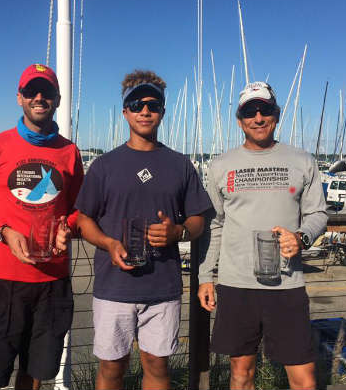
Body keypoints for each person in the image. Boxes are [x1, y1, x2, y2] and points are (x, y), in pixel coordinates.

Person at [75, 70, 212, 390]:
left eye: (153, 105)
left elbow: (198, 220)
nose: (145, 111)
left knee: (157, 368)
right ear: (125, 112)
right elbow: (84, 220)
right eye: (137, 105)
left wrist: (177, 232)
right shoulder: (104, 166)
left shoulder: (180, 165)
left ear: (163, 112)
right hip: (114, 288)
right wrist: (108, 243)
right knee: (111, 369)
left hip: (163, 287)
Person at [0, 63, 84, 390]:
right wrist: (3, 231)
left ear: (56, 98)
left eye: (46, 92)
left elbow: (79, 209)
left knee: (35, 375)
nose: (39, 97)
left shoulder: (70, 152)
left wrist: (65, 227)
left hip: (52, 282)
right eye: (31, 91)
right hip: (2, 282)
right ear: (19, 98)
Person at [198, 81, 327, 390]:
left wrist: (302, 237)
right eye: (249, 111)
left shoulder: (303, 161)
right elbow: (214, 224)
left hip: (287, 285)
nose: (258, 117)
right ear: (239, 119)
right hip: (236, 285)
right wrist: (205, 276)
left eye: (265, 110)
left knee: (304, 379)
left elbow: (318, 214)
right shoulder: (220, 166)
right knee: (242, 375)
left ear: (277, 115)